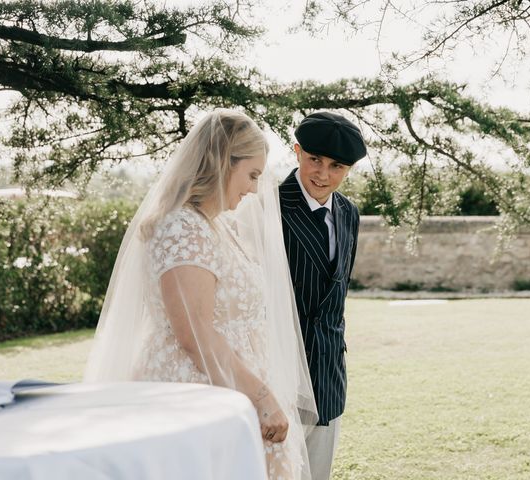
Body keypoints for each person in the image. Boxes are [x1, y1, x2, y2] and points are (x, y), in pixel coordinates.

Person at [85, 109, 317, 479]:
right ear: (223, 163)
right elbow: (194, 332)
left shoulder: (215, 226)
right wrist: (261, 397)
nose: (255, 188)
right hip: (195, 392)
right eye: (252, 175)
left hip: (229, 386)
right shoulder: (182, 228)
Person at [279, 111, 366, 480]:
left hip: (328, 375)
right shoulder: (268, 206)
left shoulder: (349, 213)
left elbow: (338, 293)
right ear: (297, 151)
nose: (323, 174)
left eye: (337, 166)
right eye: (314, 159)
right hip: (279, 372)